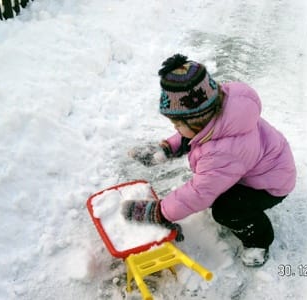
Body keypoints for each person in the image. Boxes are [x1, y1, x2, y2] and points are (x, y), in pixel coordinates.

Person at [122, 54, 296, 267]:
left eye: (177, 125)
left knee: (226, 209)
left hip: (270, 185)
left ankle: (259, 241)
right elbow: (193, 134)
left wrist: (159, 212)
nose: (174, 129)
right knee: (216, 183)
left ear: (197, 119)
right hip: (263, 164)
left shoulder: (222, 153)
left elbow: (199, 193)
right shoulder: (219, 112)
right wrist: (168, 148)